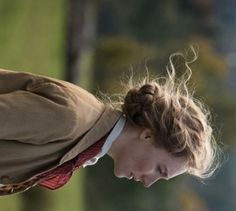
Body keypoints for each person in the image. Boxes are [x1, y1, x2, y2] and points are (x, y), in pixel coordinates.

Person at [0, 52, 218, 195]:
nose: (148, 182)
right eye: (160, 170)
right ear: (147, 135)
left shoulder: (84, 140)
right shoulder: (70, 119)